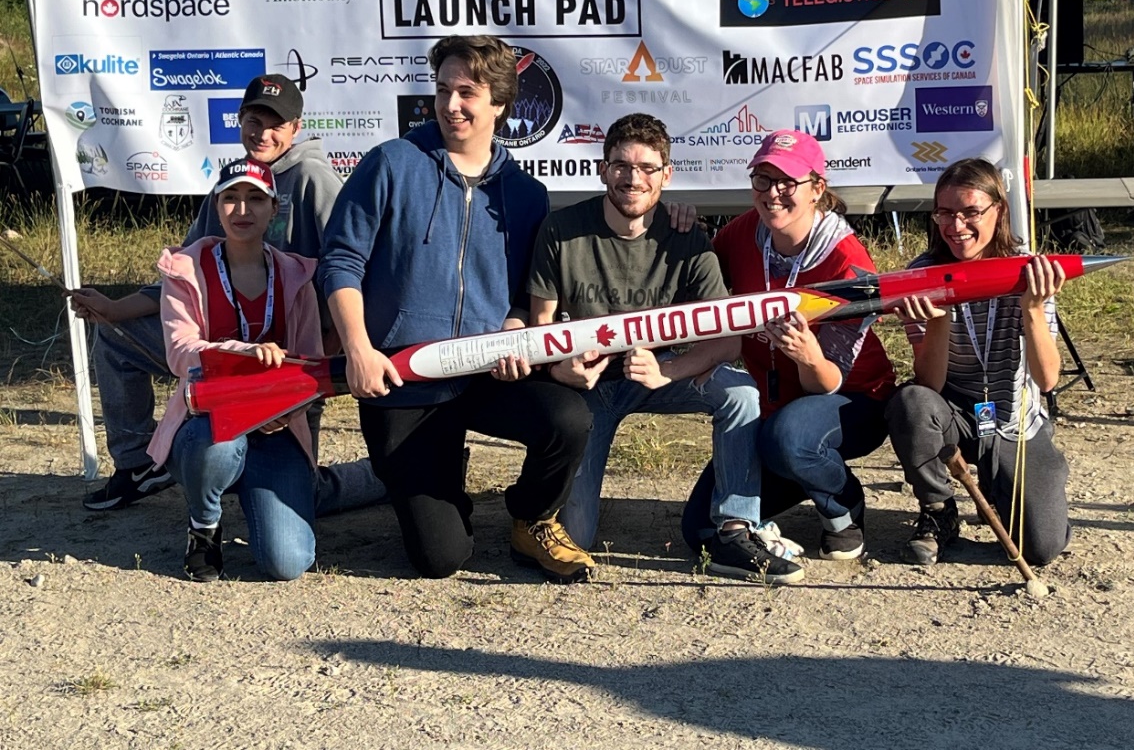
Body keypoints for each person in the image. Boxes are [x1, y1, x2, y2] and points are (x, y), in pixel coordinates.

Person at [317, 34, 596, 584]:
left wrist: (516, 325)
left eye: (466, 91)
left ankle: (530, 518)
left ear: (499, 103)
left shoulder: (527, 194)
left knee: (568, 419)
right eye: (442, 89)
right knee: (440, 559)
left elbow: (526, 292)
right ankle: (428, 477)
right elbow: (340, 263)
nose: (450, 105)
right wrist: (360, 349)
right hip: (403, 379)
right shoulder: (391, 164)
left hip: (487, 375)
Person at [72, 74, 385, 516]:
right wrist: (115, 309)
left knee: (304, 500)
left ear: (296, 129)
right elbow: (187, 276)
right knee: (116, 338)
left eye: (276, 124)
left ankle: (386, 474)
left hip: (286, 361)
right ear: (239, 123)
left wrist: (325, 355)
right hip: (217, 349)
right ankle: (138, 465)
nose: (263, 133)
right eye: (254, 120)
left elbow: (347, 271)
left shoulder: (314, 179)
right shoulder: (231, 184)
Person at [528, 113, 801, 585]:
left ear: (666, 175)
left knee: (740, 394)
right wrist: (562, 369)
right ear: (603, 168)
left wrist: (668, 370)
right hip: (590, 390)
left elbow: (728, 340)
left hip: (660, 378)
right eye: (621, 165)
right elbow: (540, 326)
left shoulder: (688, 238)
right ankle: (531, 507)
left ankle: (735, 529)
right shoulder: (561, 229)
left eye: (648, 168)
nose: (633, 178)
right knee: (578, 537)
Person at [681, 130, 897, 563]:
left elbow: (828, 380)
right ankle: (800, 476)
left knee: (790, 439)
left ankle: (842, 506)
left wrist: (808, 354)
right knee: (703, 529)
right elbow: (697, 274)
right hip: (772, 407)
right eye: (763, 179)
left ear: (817, 189)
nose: (773, 194)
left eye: (787, 182)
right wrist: (680, 231)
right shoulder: (743, 233)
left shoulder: (847, 263)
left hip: (850, 400)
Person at [884, 157, 1070, 567]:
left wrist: (1033, 310)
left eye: (971, 212)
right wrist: (939, 320)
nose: (956, 225)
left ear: (998, 210)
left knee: (1041, 547)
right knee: (910, 403)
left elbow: (1048, 378)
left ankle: (1011, 485)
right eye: (945, 213)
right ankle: (938, 511)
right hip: (956, 416)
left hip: (1013, 421)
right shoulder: (922, 275)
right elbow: (929, 386)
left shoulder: (1028, 270)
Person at [150, 159, 321, 581]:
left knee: (287, 564)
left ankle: (260, 487)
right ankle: (204, 526)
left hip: (275, 425)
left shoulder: (296, 274)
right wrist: (243, 352)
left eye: (255, 199)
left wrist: (288, 407)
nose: (242, 210)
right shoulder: (186, 269)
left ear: (273, 209)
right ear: (216, 204)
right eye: (231, 198)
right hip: (209, 422)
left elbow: (311, 363)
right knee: (221, 448)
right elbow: (179, 351)